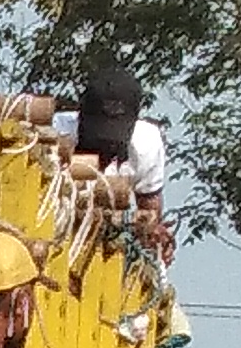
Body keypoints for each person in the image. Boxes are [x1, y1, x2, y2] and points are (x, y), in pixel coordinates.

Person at [60, 58, 176, 268]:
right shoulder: (53, 136)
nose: (102, 153)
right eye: (97, 136)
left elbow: (150, 213)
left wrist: (155, 238)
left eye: (112, 139)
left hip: (107, 249)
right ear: (80, 116)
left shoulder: (146, 144)